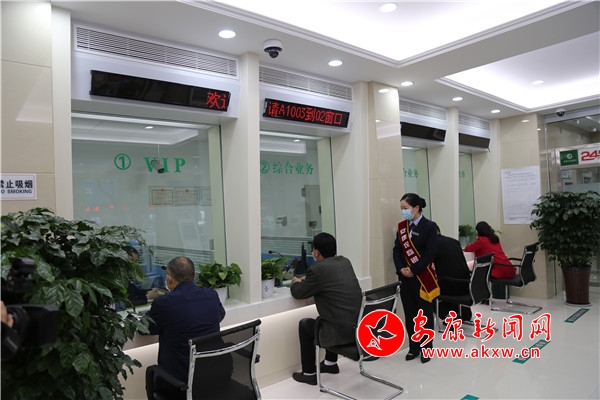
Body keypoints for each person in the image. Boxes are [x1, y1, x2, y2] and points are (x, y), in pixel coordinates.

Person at [142, 256, 226, 399]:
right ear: (194, 276)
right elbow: (220, 315)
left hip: (179, 385)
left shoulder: (163, 303)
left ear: (169, 279)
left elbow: (144, 329)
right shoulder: (211, 295)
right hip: (214, 378)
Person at [290, 232, 363, 386]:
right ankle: (330, 364)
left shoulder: (317, 270)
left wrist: (295, 282)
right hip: (359, 328)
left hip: (340, 333)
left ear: (316, 252)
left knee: (305, 324)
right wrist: (310, 281)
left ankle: (309, 373)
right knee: (333, 313)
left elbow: (298, 293)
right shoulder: (345, 262)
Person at [393, 193, 438, 363]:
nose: (403, 211)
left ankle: (426, 348)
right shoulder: (402, 227)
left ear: (416, 208)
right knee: (410, 314)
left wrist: (413, 269)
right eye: (401, 208)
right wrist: (401, 269)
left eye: (405, 208)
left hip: (422, 277)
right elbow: (397, 250)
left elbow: (430, 253)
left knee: (424, 315)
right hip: (405, 278)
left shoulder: (429, 227)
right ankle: (413, 347)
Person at [434, 228, 472, 322]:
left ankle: (448, 315)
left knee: (428, 289)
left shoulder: (432, 245)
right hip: (466, 284)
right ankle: (465, 313)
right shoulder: (454, 242)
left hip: (450, 285)